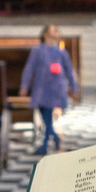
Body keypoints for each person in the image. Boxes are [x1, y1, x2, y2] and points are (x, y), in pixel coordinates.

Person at [21, 24, 78, 154]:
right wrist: (24, 86)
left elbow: (69, 71)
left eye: (57, 30)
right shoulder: (38, 50)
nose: (56, 31)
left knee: (47, 117)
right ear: (45, 34)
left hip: (56, 89)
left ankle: (44, 145)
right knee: (46, 117)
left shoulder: (61, 52)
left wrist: (74, 87)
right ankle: (55, 138)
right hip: (41, 88)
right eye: (53, 29)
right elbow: (29, 69)